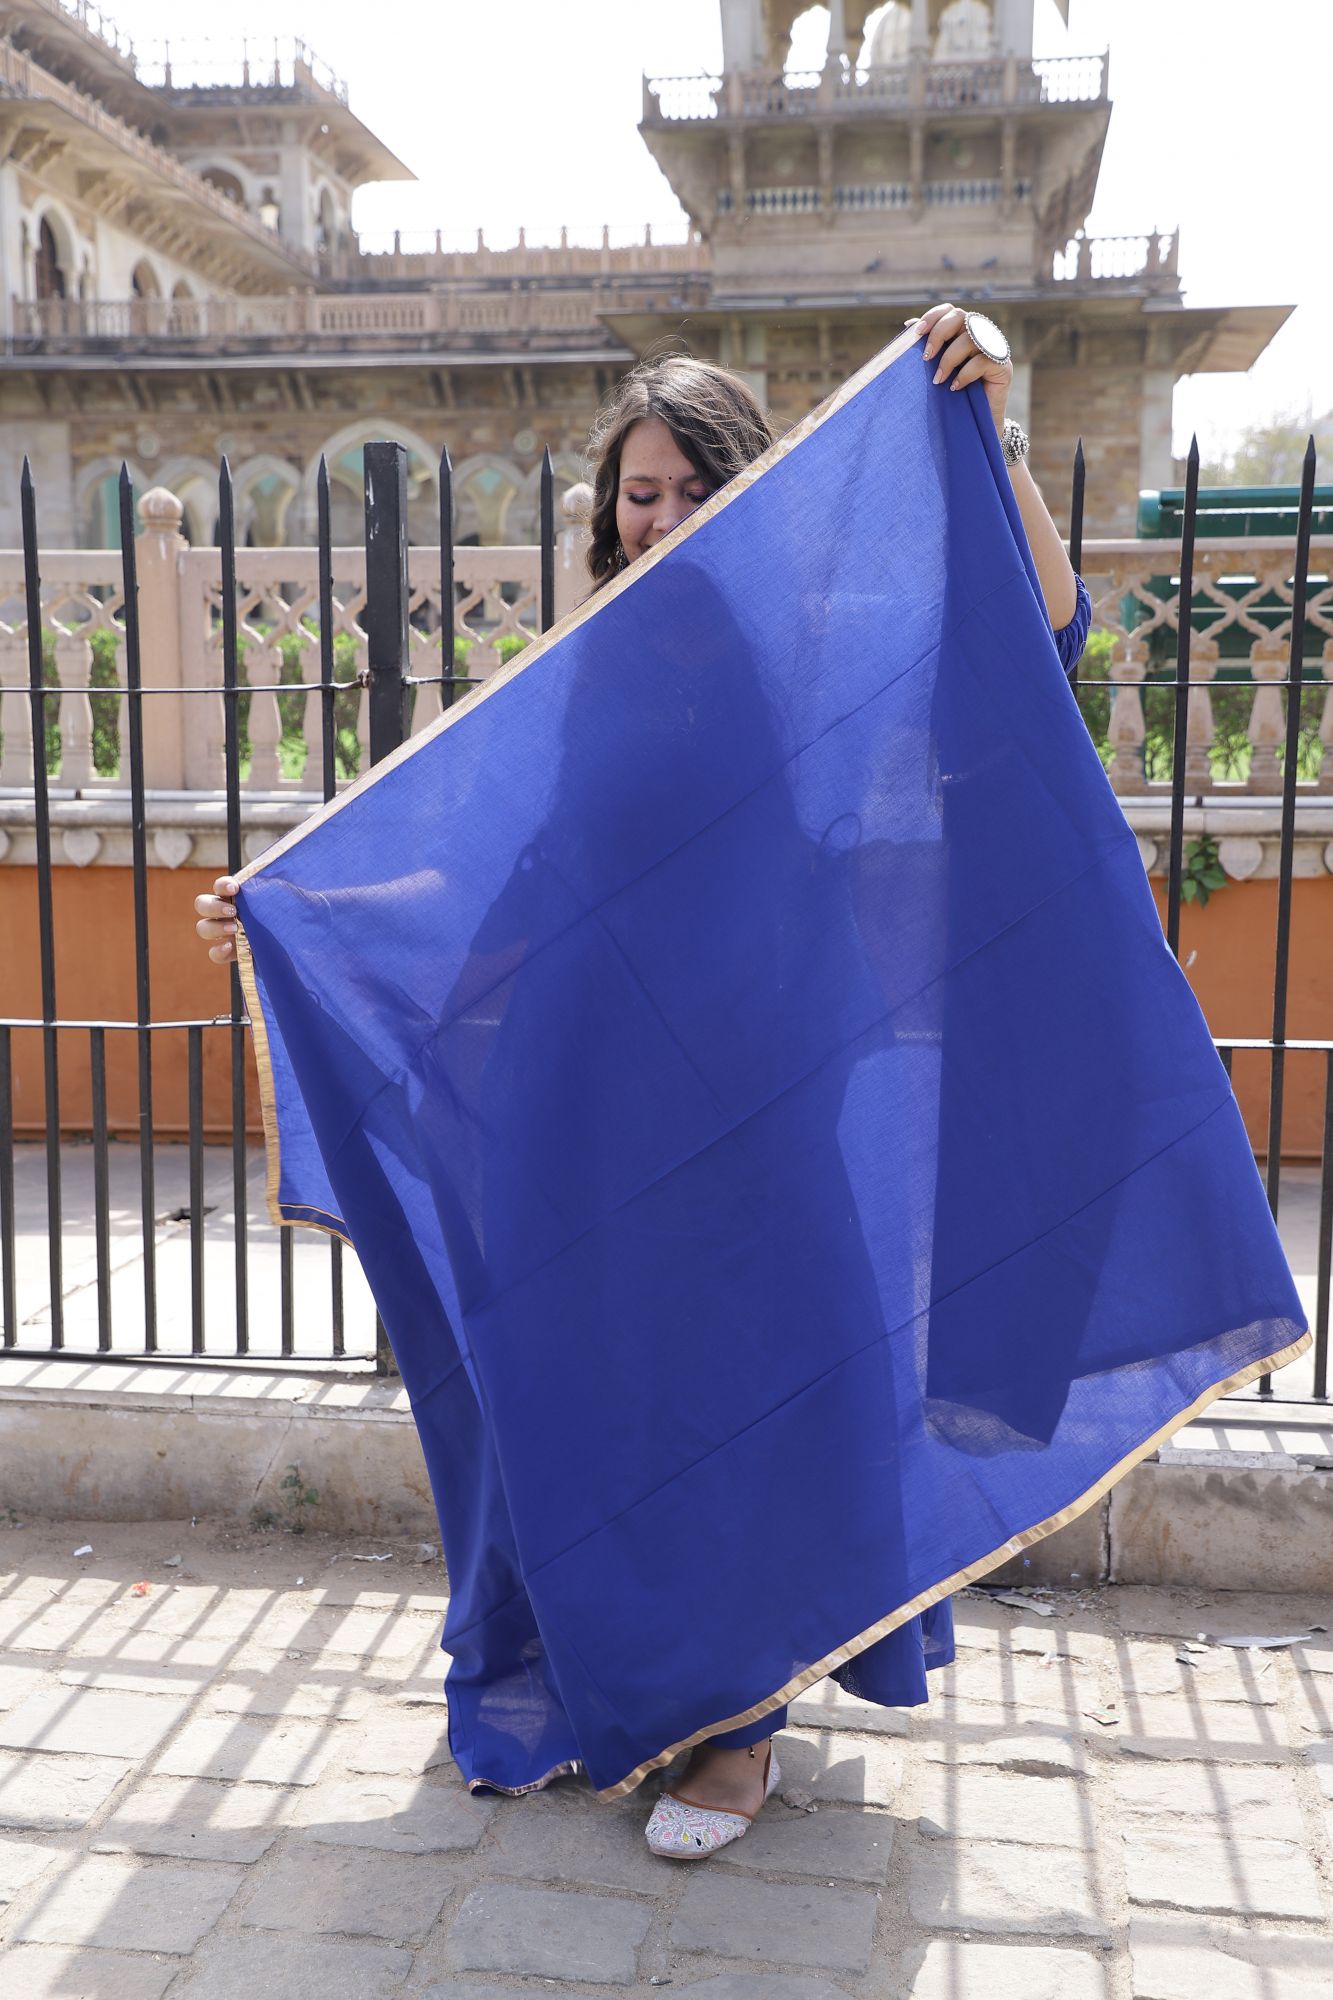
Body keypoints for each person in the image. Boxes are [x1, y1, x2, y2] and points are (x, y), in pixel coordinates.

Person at [195, 302, 1093, 1859]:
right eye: (636, 490)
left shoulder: (818, 633)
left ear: (749, 484)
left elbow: (1043, 626)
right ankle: (557, 1678)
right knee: (564, 1375)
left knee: (743, 1383)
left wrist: (988, 421)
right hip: (578, 1087)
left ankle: (735, 1729)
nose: (659, 513)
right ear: (604, 508)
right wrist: (293, 920)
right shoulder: (586, 662)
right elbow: (520, 878)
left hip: (754, 1088)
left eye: (689, 486)